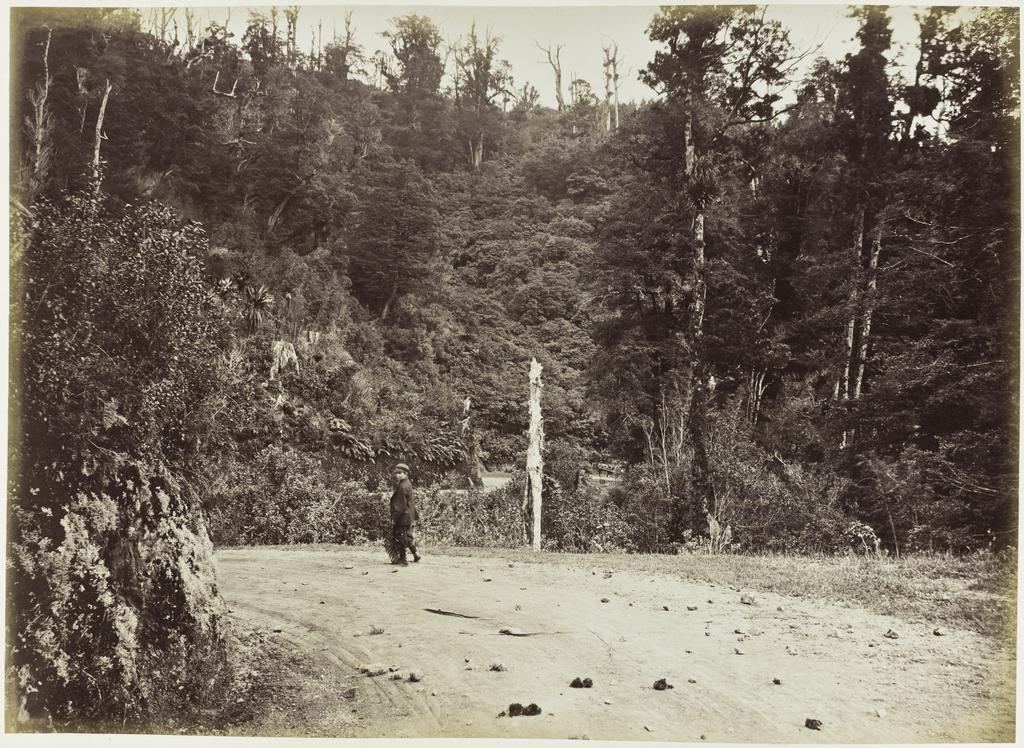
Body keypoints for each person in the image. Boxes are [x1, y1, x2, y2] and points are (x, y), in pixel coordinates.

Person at [389, 463, 420, 566]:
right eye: (396, 473)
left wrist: (394, 518)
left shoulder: (402, 486)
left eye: (400, 473)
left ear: (405, 473)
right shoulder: (407, 483)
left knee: (401, 537)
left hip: (403, 516)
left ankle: (403, 560)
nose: (397, 475)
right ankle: (416, 554)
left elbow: (400, 506)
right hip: (409, 515)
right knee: (407, 536)